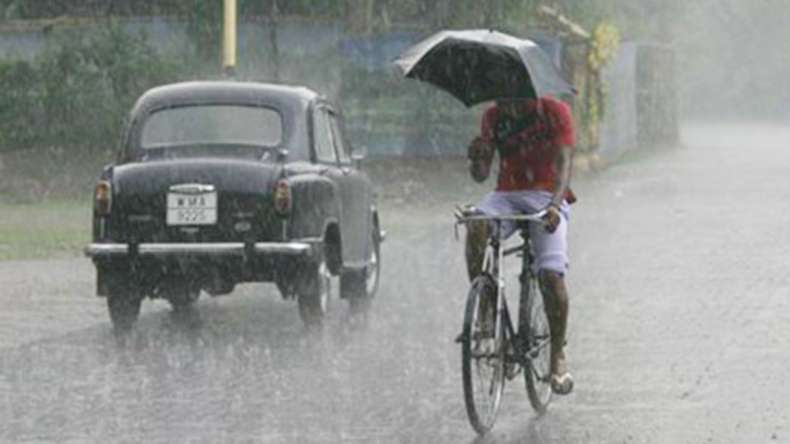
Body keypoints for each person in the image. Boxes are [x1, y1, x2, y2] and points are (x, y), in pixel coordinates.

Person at [465, 95, 576, 395]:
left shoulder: (555, 112)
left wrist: (555, 204)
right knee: (475, 225)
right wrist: (477, 157)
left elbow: (565, 164)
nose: (506, 100)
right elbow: (480, 176)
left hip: (547, 197)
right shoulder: (493, 116)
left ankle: (557, 354)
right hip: (506, 196)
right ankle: (487, 306)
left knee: (551, 276)